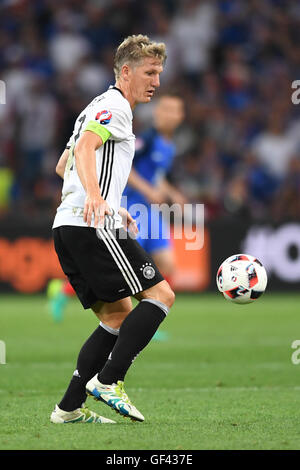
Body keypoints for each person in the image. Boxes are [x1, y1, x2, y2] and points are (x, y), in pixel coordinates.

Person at [50, 34, 175, 424]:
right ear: (125, 71)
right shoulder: (116, 107)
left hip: (68, 226)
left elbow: (63, 164)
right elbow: (86, 150)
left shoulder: (96, 107)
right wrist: (96, 198)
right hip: (90, 224)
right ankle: (109, 381)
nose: (156, 80)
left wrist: (109, 202)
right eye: (149, 72)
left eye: (159, 73)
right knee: (160, 295)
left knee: (117, 315)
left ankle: (68, 409)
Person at [47, 93, 185, 324]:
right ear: (157, 113)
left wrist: (173, 194)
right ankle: (64, 291)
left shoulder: (169, 146)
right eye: (165, 110)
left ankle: (148, 317)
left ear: (181, 116)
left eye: (174, 111)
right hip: (130, 206)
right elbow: (127, 169)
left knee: (167, 263)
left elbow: (155, 177)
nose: (169, 115)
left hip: (149, 210)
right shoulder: (146, 139)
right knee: (124, 269)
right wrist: (149, 192)